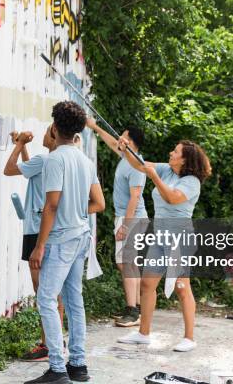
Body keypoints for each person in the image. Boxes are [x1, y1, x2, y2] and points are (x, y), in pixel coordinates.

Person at [25, 102, 105, 384]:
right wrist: (76, 208)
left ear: (55, 128)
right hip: (81, 236)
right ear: (78, 131)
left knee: (46, 299)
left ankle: (58, 368)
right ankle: (78, 365)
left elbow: (52, 205)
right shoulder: (85, 161)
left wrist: (39, 245)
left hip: (61, 240)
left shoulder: (56, 159)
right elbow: (99, 203)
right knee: (74, 301)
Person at [117, 138, 211, 352]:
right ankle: (143, 334)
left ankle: (189, 338)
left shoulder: (191, 182)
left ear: (184, 159)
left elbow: (172, 198)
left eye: (175, 151)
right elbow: (140, 164)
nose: (171, 153)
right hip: (160, 237)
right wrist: (126, 150)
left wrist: (155, 178)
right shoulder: (166, 169)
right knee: (147, 285)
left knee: (181, 287)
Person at [3, 126, 65, 362]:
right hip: (49, 228)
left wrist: (18, 145)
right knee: (52, 289)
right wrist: (24, 147)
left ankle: (48, 345)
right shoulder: (52, 162)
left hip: (36, 230)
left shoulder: (44, 159)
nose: (44, 133)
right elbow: (30, 173)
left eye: (48, 131)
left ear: (53, 137)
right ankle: (54, 338)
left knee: (43, 292)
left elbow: (9, 170)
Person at [86, 118, 147, 327]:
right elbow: (112, 142)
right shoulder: (126, 157)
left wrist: (126, 225)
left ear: (131, 142)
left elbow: (135, 198)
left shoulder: (137, 165)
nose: (119, 138)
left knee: (127, 263)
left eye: (124, 136)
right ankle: (137, 307)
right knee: (127, 263)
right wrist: (94, 127)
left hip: (132, 219)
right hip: (127, 218)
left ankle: (132, 312)